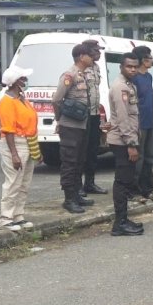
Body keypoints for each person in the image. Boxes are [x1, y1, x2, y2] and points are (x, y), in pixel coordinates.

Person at [52, 44, 96, 214]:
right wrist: (59, 120)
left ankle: (77, 194)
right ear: (81, 56)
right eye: (90, 55)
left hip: (82, 124)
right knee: (69, 162)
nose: (92, 58)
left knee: (79, 161)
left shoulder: (82, 75)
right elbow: (56, 100)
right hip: (70, 126)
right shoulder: (69, 75)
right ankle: (68, 199)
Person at [0, 66, 39, 232]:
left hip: (27, 142)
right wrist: (14, 154)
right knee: (13, 182)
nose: (25, 81)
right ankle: (6, 218)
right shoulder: (6, 102)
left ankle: (17, 215)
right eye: (23, 79)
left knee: (24, 182)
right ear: (14, 82)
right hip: (14, 144)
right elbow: (8, 130)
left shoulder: (22, 99)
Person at [107, 54, 144, 236]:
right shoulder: (120, 87)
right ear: (121, 67)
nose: (133, 69)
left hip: (127, 139)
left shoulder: (129, 85)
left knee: (126, 180)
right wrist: (131, 144)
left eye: (135, 66)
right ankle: (119, 223)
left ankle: (123, 219)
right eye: (129, 66)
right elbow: (122, 118)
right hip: (122, 141)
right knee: (122, 182)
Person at [79, 39, 107, 196]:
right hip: (84, 115)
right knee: (82, 151)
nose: (99, 53)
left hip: (95, 114)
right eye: (96, 50)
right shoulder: (81, 69)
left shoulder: (96, 67)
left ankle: (90, 183)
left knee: (92, 150)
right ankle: (79, 185)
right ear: (88, 52)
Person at [132, 45, 153, 202]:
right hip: (139, 123)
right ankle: (135, 190)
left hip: (149, 121)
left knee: (150, 156)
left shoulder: (148, 77)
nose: (151, 60)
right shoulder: (135, 78)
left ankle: (147, 189)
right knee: (139, 158)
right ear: (142, 60)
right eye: (148, 58)